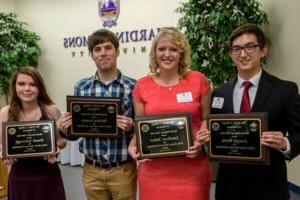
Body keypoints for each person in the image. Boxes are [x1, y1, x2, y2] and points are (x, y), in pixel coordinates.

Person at [211, 24, 300, 200]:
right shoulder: (219, 93)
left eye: (250, 47)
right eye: (236, 49)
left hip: (269, 187)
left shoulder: (285, 90)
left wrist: (285, 143)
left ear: (263, 51)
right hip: (229, 187)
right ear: (231, 55)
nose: (243, 54)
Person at [128, 27, 212, 200]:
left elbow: (206, 120)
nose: (167, 54)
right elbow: (140, 126)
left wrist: (200, 143)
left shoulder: (198, 81)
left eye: (173, 49)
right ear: (154, 53)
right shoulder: (142, 86)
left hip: (192, 170)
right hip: (153, 172)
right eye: (162, 49)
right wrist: (132, 146)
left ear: (181, 53)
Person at [57, 29, 137, 200]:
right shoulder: (81, 87)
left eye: (108, 48)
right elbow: (74, 133)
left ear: (117, 51)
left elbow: (139, 132)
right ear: (91, 55)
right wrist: (64, 129)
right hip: (91, 170)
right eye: (98, 49)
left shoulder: (133, 86)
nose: (103, 53)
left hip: (123, 170)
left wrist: (131, 126)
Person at [0, 67, 66, 200]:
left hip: (48, 177)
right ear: (14, 86)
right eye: (21, 84)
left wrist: (56, 148)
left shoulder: (51, 110)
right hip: (19, 178)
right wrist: (3, 153)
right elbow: (2, 143)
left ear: (39, 87)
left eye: (32, 84)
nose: (27, 89)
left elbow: (62, 141)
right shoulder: (6, 112)